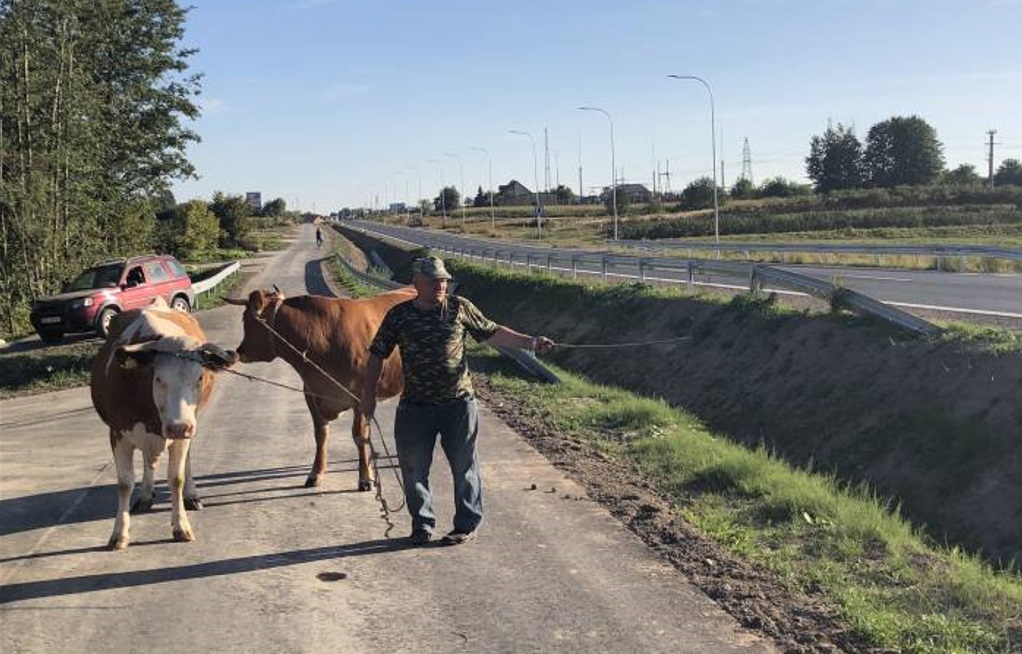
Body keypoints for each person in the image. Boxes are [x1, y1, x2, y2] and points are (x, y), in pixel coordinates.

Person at [361, 256, 555, 546]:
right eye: (433, 281)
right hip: (415, 406)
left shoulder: (459, 307)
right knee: (413, 468)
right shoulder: (399, 315)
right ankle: (422, 525)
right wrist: (368, 396)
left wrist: (530, 342)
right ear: (416, 283)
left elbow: (493, 332)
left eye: (443, 280)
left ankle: (466, 524)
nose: (440, 285)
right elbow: (376, 354)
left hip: (458, 405)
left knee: (464, 466)